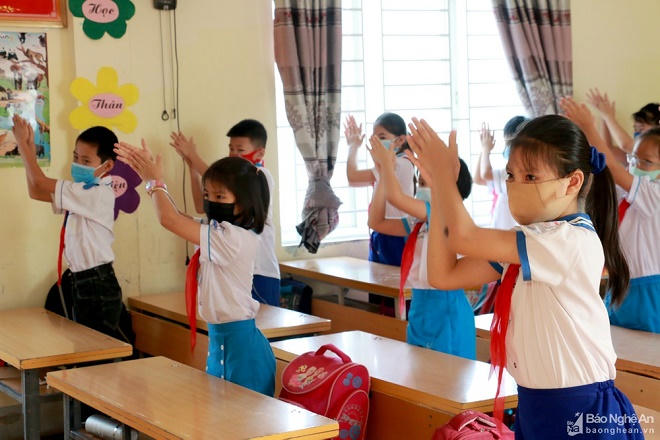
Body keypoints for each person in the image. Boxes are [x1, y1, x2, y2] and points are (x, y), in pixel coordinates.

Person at [407, 116, 642, 438]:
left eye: (530, 176)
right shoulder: (530, 241)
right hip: (536, 404)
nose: (516, 185)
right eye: (511, 175)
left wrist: (446, 180)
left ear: (572, 182)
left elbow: (464, 238)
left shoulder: (568, 239)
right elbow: (443, 275)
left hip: (580, 409)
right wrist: (437, 189)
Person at [115, 141, 276, 396]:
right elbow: (176, 215)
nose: (210, 202)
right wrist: (153, 180)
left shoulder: (234, 238)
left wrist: (155, 181)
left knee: (242, 419)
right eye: (207, 195)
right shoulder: (220, 230)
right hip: (220, 340)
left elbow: (170, 219)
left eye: (220, 197)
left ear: (245, 203)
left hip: (243, 350)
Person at [12, 115, 128, 341]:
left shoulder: (97, 193)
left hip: (97, 284)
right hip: (81, 281)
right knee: (84, 348)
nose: (77, 164)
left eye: (86, 160)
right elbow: (35, 191)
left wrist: (23, 146)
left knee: (95, 352)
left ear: (107, 166)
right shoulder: (81, 189)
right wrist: (29, 149)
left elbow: (39, 182)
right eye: (75, 157)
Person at [366, 133, 475, 359]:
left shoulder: (446, 213)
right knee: (419, 373)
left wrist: (387, 166)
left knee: (448, 376)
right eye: (420, 182)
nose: (420, 189)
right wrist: (382, 174)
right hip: (420, 305)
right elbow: (376, 222)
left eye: (426, 183)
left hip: (446, 309)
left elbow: (396, 197)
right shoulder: (419, 222)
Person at [562, 97, 659, 333]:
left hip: (649, 291)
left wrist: (589, 126)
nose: (635, 166)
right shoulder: (627, 192)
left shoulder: (655, 194)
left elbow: (612, 167)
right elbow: (604, 168)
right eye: (633, 158)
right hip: (620, 285)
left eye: (646, 162)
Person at [170, 119, 280, 307]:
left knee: (264, 321)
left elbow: (223, 184)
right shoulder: (227, 190)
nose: (234, 155)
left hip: (260, 270)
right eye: (231, 149)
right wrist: (191, 167)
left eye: (240, 150)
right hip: (233, 269)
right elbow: (201, 206)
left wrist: (194, 156)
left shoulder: (261, 176)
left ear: (260, 153)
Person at [345, 113, 415, 315]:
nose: (376, 142)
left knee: (395, 300)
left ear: (400, 140)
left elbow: (354, 176)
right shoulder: (388, 164)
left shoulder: (401, 163)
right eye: (374, 137)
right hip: (380, 234)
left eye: (382, 137)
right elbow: (353, 178)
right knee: (379, 298)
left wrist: (357, 150)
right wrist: (353, 146)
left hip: (396, 236)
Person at [473, 116, 528, 230]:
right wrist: (484, 149)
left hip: (507, 234)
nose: (507, 148)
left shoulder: (513, 175)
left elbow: (485, 174)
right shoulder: (511, 173)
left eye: (509, 144)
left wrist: (486, 149)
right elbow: (479, 179)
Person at [586, 88, 660, 156]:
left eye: (641, 128)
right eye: (635, 129)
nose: (637, 133)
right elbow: (608, 150)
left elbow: (626, 145)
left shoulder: (655, 149)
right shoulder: (635, 157)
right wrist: (604, 117)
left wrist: (608, 116)